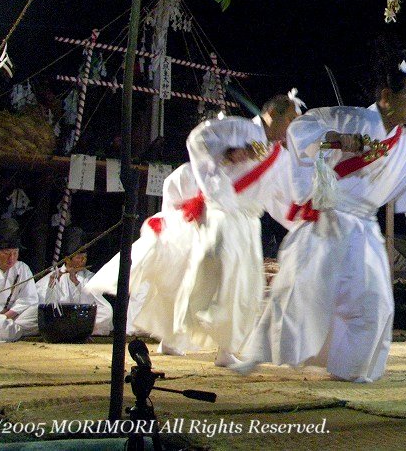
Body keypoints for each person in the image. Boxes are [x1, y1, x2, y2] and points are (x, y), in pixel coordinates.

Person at [238, 60, 406, 382]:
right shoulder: (351, 118)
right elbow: (301, 129)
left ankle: (350, 370)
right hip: (328, 221)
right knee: (301, 295)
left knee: (374, 302)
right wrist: (338, 137)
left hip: (363, 228)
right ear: (385, 96)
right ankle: (257, 353)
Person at [89, 93, 302, 365]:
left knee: (239, 284)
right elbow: (198, 140)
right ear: (272, 113)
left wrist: (301, 220)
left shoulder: (280, 157)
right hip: (220, 212)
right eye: (289, 119)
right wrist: (224, 158)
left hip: (246, 221)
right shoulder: (239, 128)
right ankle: (213, 345)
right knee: (225, 274)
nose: (291, 127)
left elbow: (278, 197)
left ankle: (205, 344)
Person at [20, 228, 113, 336]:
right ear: (68, 259)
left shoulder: (89, 276)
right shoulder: (53, 276)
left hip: (80, 317)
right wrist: (52, 286)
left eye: (85, 257)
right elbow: (41, 302)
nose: (83, 261)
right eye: (79, 257)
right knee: (25, 319)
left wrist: (76, 283)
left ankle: (72, 330)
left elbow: (95, 300)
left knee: (107, 312)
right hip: (57, 317)